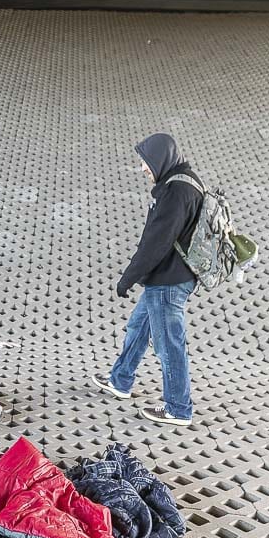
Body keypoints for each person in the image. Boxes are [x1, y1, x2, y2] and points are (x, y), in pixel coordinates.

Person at [92, 133, 203, 427]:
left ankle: (178, 408)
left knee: (169, 346)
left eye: (146, 162)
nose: (143, 168)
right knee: (139, 327)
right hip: (167, 277)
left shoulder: (176, 192)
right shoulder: (186, 180)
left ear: (161, 159)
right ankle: (120, 380)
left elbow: (156, 242)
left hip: (169, 281)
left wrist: (128, 277)